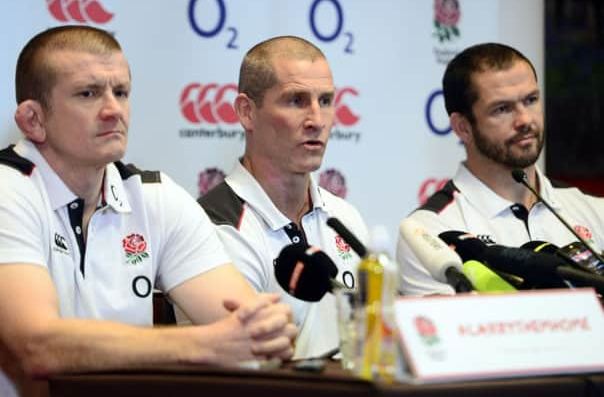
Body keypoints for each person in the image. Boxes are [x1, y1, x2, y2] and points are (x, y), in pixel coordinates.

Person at [0, 25, 297, 397]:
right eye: (88, 93)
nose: (113, 110)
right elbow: (37, 345)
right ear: (33, 120)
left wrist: (268, 327)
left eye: (120, 92)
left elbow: (245, 326)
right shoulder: (7, 190)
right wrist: (203, 346)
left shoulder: (154, 196)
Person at [198, 36, 369, 359]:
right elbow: (252, 362)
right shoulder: (212, 226)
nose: (316, 121)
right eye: (296, 100)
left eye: (326, 101)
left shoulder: (346, 218)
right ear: (247, 112)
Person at [396, 42, 604, 295]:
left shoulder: (595, 211)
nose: (525, 120)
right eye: (502, 109)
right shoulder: (429, 232)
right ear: (463, 127)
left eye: (531, 100)